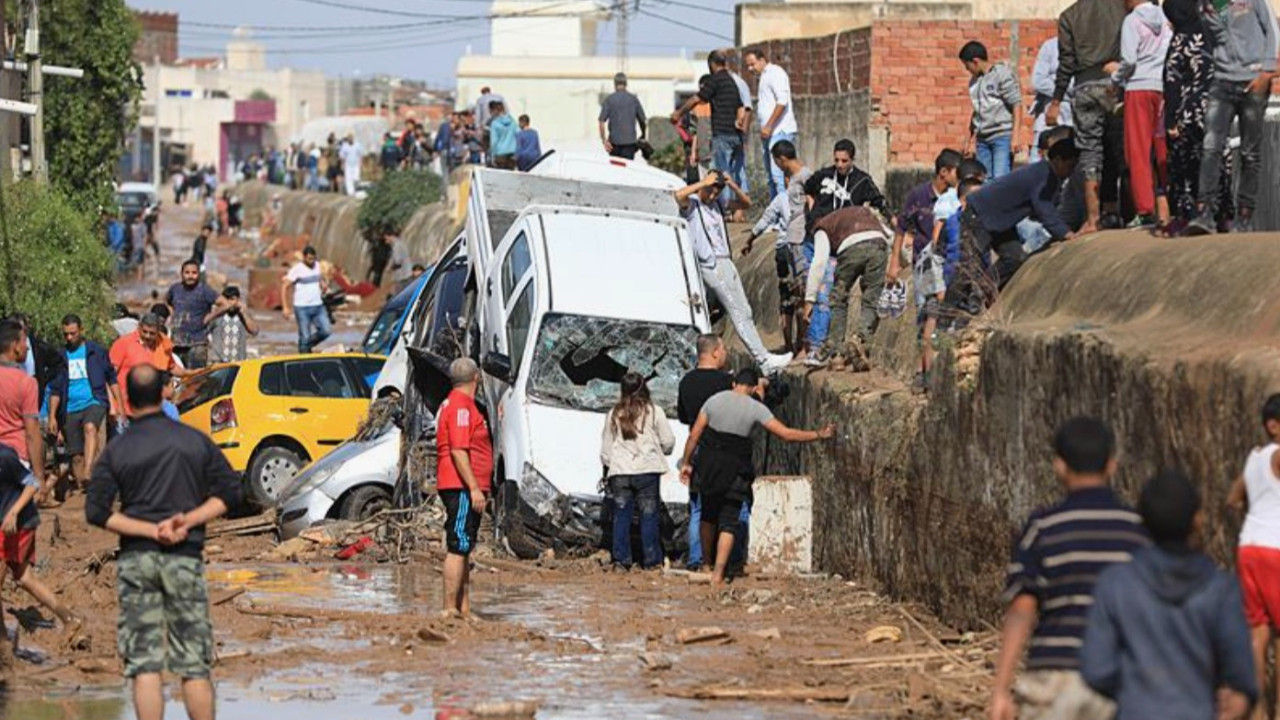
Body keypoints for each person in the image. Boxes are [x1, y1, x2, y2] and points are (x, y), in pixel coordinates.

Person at [87, 364, 241, 720]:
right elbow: (230, 492)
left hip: (138, 560)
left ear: (127, 399)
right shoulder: (193, 439)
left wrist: (146, 529)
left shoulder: (118, 449)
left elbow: (96, 511)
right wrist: (188, 519)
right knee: (193, 664)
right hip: (184, 558)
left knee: (145, 665)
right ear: (162, 394)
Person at [988, 417, 1149, 720]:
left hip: (1054, 677)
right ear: (1112, 465)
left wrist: (1001, 689)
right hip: (1118, 679)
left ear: (1059, 466)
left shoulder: (1043, 527)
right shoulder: (1137, 531)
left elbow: (1023, 607)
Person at [1081, 469, 1256, 720]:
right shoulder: (1221, 589)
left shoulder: (1115, 583)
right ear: (1198, 519)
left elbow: (1096, 669)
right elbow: (1240, 673)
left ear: (1143, 521)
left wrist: (1133, 690)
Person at [680, 367, 833, 585]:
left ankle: (706, 564)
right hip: (736, 469)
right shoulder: (756, 408)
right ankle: (718, 574)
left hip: (708, 466)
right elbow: (786, 434)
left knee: (707, 515)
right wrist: (818, 434)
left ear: (733, 384)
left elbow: (695, 435)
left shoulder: (713, 400)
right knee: (728, 522)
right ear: (753, 388)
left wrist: (686, 463)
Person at [947, 137, 1081, 315]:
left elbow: (1040, 210)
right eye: (1070, 166)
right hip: (980, 214)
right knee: (967, 269)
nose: (1071, 172)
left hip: (1002, 221)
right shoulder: (1043, 175)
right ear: (1057, 160)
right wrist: (1066, 234)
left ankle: (983, 289)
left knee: (1015, 258)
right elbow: (1044, 209)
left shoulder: (1049, 177)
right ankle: (943, 318)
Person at [675, 172, 792, 373]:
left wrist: (733, 184)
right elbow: (678, 196)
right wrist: (704, 182)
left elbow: (746, 204)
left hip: (725, 260)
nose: (713, 196)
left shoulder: (718, 204)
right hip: (711, 264)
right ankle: (763, 361)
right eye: (710, 192)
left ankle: (762, 357)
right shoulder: (693, 205)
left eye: (717, 192)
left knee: (744, 310)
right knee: (736, 310)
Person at [1185, 0, 1277, 235]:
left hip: (1253, 81)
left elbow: (1272, 32)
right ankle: (1205, 212)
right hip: (1222, 81)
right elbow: (1211, 40)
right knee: (1211, 146)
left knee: (1249, 152)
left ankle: (1244, 217)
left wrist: (1266, 74)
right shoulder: (1205, 7)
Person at [0, 438, 82, 669]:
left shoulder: (5, 456)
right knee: (25, 578)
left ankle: (4, 645)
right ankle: (70, 618)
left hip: (18, 521)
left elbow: (33, 483)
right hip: (4, 524)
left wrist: (14, 512)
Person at [1049, 0, 1127, 233]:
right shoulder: (1122, 6)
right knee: (1121, 149)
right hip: (1115, 83)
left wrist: (1056, 100)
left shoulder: (1069, 16)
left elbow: (1066, 63)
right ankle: (1128, 212)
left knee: (1091, 153)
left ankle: (1094, 218)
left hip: (1084, 87)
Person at [889, 149, 963, 382]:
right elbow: (901, 228)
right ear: (944, 172)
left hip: (947, 265)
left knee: (939, 319)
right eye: (956, 172)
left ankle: (930, 372)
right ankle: (924, 372)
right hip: (925, 268)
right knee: (926, 318)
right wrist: (893, 263)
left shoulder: (954, 198)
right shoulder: (918, 196)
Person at [1229, 394, 1280, 720]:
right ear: (1273, 425)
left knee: (1257, 634)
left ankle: (1257, 712)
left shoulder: (1255, 456)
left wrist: (1254, 518)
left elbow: (1233, 499)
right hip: (1276, 550)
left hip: (1248, 547)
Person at [1163, 0, 1233, 233]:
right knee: (1219, 161)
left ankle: (1189, 215)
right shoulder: (1217, 34)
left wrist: (1170, 120)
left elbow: (1172, 81)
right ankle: (1224, 215)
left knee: (1188, 163)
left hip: (1191, 110)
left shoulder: (1181, 38)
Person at [600, 373, 675, 570]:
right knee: (649, 516)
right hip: (647, 471)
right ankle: (652, 562)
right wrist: (658, 450)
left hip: (620, 472)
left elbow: (606, 450)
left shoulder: (613, 414)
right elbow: (668, 442)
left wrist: (609, 467)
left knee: (621, 516)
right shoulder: (654, 411)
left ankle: (621, 561)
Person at [804, 206, 892, 371]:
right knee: (872, 300)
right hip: (879, 245)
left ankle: (837, 355)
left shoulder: (822, 227)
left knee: (839, 299)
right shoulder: (861, 212)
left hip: (851, 249)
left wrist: (809, 298)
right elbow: (890, 235)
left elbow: (819, 263)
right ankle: (859, 339)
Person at [436, 358, 492, 617]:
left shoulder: (456, 403)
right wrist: (473, 487)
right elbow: (459, 451)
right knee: (458, 545)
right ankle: (449, 609)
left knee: (465, 546)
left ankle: (465, 609)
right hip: (460, 486)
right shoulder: (460, 407)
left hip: (465, 485)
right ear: (476, 378)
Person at [747, 140, 813, 357]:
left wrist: (750, 238)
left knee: (798, 296)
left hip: (798, 243)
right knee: (795, 296)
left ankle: (799, 346)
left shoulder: (803, 178)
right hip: (792, 245)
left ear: (780, 159)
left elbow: (812, 205)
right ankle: (797, 346)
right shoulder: (797, 180)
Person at [1112, 0, 1173, 229]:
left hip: (1138, 87)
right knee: (1162, 147)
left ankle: (1145, 210)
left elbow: (1129, 61)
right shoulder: (1166, 17)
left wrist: (1114, 79)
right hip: (1163, 86)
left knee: (1138, 150)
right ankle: (1172, 202)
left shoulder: (1132, 20)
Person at [48, 315, 121, 494]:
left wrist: (118, 404)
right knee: (76, 457)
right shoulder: (60, 356)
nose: (69, 338)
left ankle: (89, 471)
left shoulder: (96, 352)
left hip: (94, 400)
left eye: (73, 333)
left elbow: (111, 378)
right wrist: (52, 416)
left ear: (82, 330)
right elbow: (56, 389)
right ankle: (83, 484)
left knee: (90, 428)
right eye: (66, 334)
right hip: (70, 407)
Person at [672, 52, 744, 203]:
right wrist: (739, 121)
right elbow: (741, 107)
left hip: (722, 135)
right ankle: (731, 209)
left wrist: (679, 113)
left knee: (720, 176)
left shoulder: (715, 80)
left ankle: (722, 209)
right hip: (735, 136)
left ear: (712, 64)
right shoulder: (731, 81)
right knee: (731, 174)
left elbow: (697, 98)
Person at [959, 41, 1023, 178]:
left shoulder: (1001, 74)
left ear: (975, 61)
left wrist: (1016, 136)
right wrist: (968, 139)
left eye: (967, 65)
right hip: (982, 140)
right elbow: (977, 111)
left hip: (1001, 137)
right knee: (984, 180)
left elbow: (1016, 104)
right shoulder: (974, 82)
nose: (967, 70)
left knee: (1000, 179)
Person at [744, 47, 798, 201]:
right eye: (748, 65)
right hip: (771, 133)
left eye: (752, 64)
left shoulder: (775, 73)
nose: (750, 68)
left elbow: (782, 101)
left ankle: (784, 216)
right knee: (771, 178)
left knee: (778, 176)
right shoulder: (764, 77)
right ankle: (776, 213)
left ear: (762, 60)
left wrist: (769, 126)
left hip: (779, 131)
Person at [0, 321, 45, 497]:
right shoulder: (25, 382)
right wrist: (39, 477)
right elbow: (32, 432)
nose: (27, 348)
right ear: (15, 347)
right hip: (16, 459)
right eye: (24, 342)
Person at [110, 313, 183, 418]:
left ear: (158, 332)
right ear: (139, 327)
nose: (147, 336)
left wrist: (194, 373)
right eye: (144, 332)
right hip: (124, 409)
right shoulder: (124, 344)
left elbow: (172, 367)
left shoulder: (161, 347)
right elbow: (110, 376)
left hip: (147, 410)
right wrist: (114, 405)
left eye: (152, 333)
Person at [804, 139, 887, 226]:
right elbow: (807, 189)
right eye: (836, 160)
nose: (839, 165)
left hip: (847, 228)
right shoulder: (823, 174)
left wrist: (893, 220)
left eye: (844, 161)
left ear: (852, 159)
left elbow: (879, 201)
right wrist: (812, 209)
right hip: (822, 225)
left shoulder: (862, 180)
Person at [165, 260, 219, 370]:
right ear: (181, 274)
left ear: (199, 274)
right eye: (187, 272)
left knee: (196, 377)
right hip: (177, 342)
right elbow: (166, 301)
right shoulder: (175, 289)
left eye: (194, 273)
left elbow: (224, 304)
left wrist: (209, 317)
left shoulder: (204, 290)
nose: (190, 276)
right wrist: (172, 315)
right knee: (177, 377)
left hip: (197, 342)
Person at [282, 246, 331, 354]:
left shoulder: (317, 266)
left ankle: (305, 345)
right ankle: (304, 356)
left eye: (313, 258)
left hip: (318, 306)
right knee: (305, 335)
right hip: (302, 308)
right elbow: (285, 287)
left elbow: (320, 280)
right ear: (304, 257)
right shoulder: (297, 269)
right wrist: (285, 307)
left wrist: (323, 286)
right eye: (309, 259)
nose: (311, 261)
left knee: (326, 331)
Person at [1030, 37, 1074, 153]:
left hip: (1074, 119)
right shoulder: (1051, 46)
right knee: (1040, 163)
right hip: (1049, 116)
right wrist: (1066, 93)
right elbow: (1038, 81)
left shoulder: (1089, 46)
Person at [205, 286, 259, 365]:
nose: (230, 303)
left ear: (238, 300)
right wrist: (219, 310)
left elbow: (254, 331)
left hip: (238, 362)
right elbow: (203, 328)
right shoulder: (216, 315)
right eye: (227, 300)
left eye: (233, 299)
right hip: (218, 362)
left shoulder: (243, 316)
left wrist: (244, 313)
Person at [599, 73, 648, 160]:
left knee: (615, 171)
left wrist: (604, 140)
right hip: (630, 143)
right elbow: (642, 120)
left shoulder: (609, 99)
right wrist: (643, 135)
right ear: (626, 83)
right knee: (627, 170)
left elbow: (601, 121)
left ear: (614, 84)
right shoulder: (633, 99)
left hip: (614, 143)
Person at [487, 101, 518, 170]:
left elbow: (494, 141)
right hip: (512, 153)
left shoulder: (494, 123)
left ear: (495, 111)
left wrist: (492, 155)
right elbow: (518, 134)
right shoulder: (513, 121)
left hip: (500, 154)